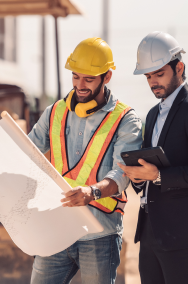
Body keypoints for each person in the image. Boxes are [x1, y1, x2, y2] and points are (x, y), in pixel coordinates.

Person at [28, 37, 142, 284]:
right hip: (57, 228)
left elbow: (122, 175)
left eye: (88, 79)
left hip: (99, 234)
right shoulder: (55, 112)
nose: (80, 85)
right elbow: (27, 152)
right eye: (76, 77)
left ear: (107, 77)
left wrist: (93, 192)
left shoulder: (125, 119)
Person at [118, 31, 188, 284]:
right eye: (148, 76)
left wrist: (158, 176)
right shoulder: (152, 114)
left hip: (181, 238)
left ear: (179, 68)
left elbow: (162, 174)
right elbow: (151, 172)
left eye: (159, 74)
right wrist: (138, 177)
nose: (153, 82)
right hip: (149, 235)